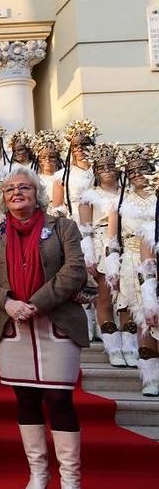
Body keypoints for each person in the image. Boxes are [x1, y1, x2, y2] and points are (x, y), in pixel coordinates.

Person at [0, 166, 88, 489]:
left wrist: (36, 302)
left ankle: (70, 478)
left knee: (58, 399)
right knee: (25, 399)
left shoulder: (63, 227)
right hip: (13, 326)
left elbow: (75, 270)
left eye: (24, 187)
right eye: (9, 189)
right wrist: (8, 302)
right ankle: (38, 474)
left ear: (37, 193)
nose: (16, 193)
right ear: (3, 197)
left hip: (56, 324)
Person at [106, 144, 159, 396]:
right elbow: (112, 237)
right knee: (141, 313)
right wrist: (112, 267)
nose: (138, 174)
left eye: (143, 169)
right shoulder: (121, 199)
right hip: (133, 261)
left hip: (156, 256)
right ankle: (150, 377)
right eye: (133, 170)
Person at [79, 144, 127, 365]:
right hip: (102, 247)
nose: (107, 170)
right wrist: (89, 254)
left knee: (126, 299)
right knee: (105, 298)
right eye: (102, 166)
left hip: (128, 246)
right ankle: (113, 346)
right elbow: (86, 229)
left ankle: (131, 344)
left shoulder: (127, 193)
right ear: (96, 171)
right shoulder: (90, 196)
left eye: (111, 166)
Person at [137, 166, 159, 397]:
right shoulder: (149, 231)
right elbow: (146, 272)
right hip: (156, 291)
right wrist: (150, 303)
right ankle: (151, 378)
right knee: (148, 326)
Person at [53, 120, 97, 223]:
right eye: (75, 145)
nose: (80, 149)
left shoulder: (101, 171)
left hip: (100, 223)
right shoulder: (61, 176)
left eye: (84, 144)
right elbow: (58, 208)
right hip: (74, 225)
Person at [33, 130, 66, 195]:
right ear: (38, 160)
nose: (47, 160)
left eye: (52, 157)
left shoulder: (65, 178)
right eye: (43, 157)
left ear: (57, 159)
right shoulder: (34, 181)